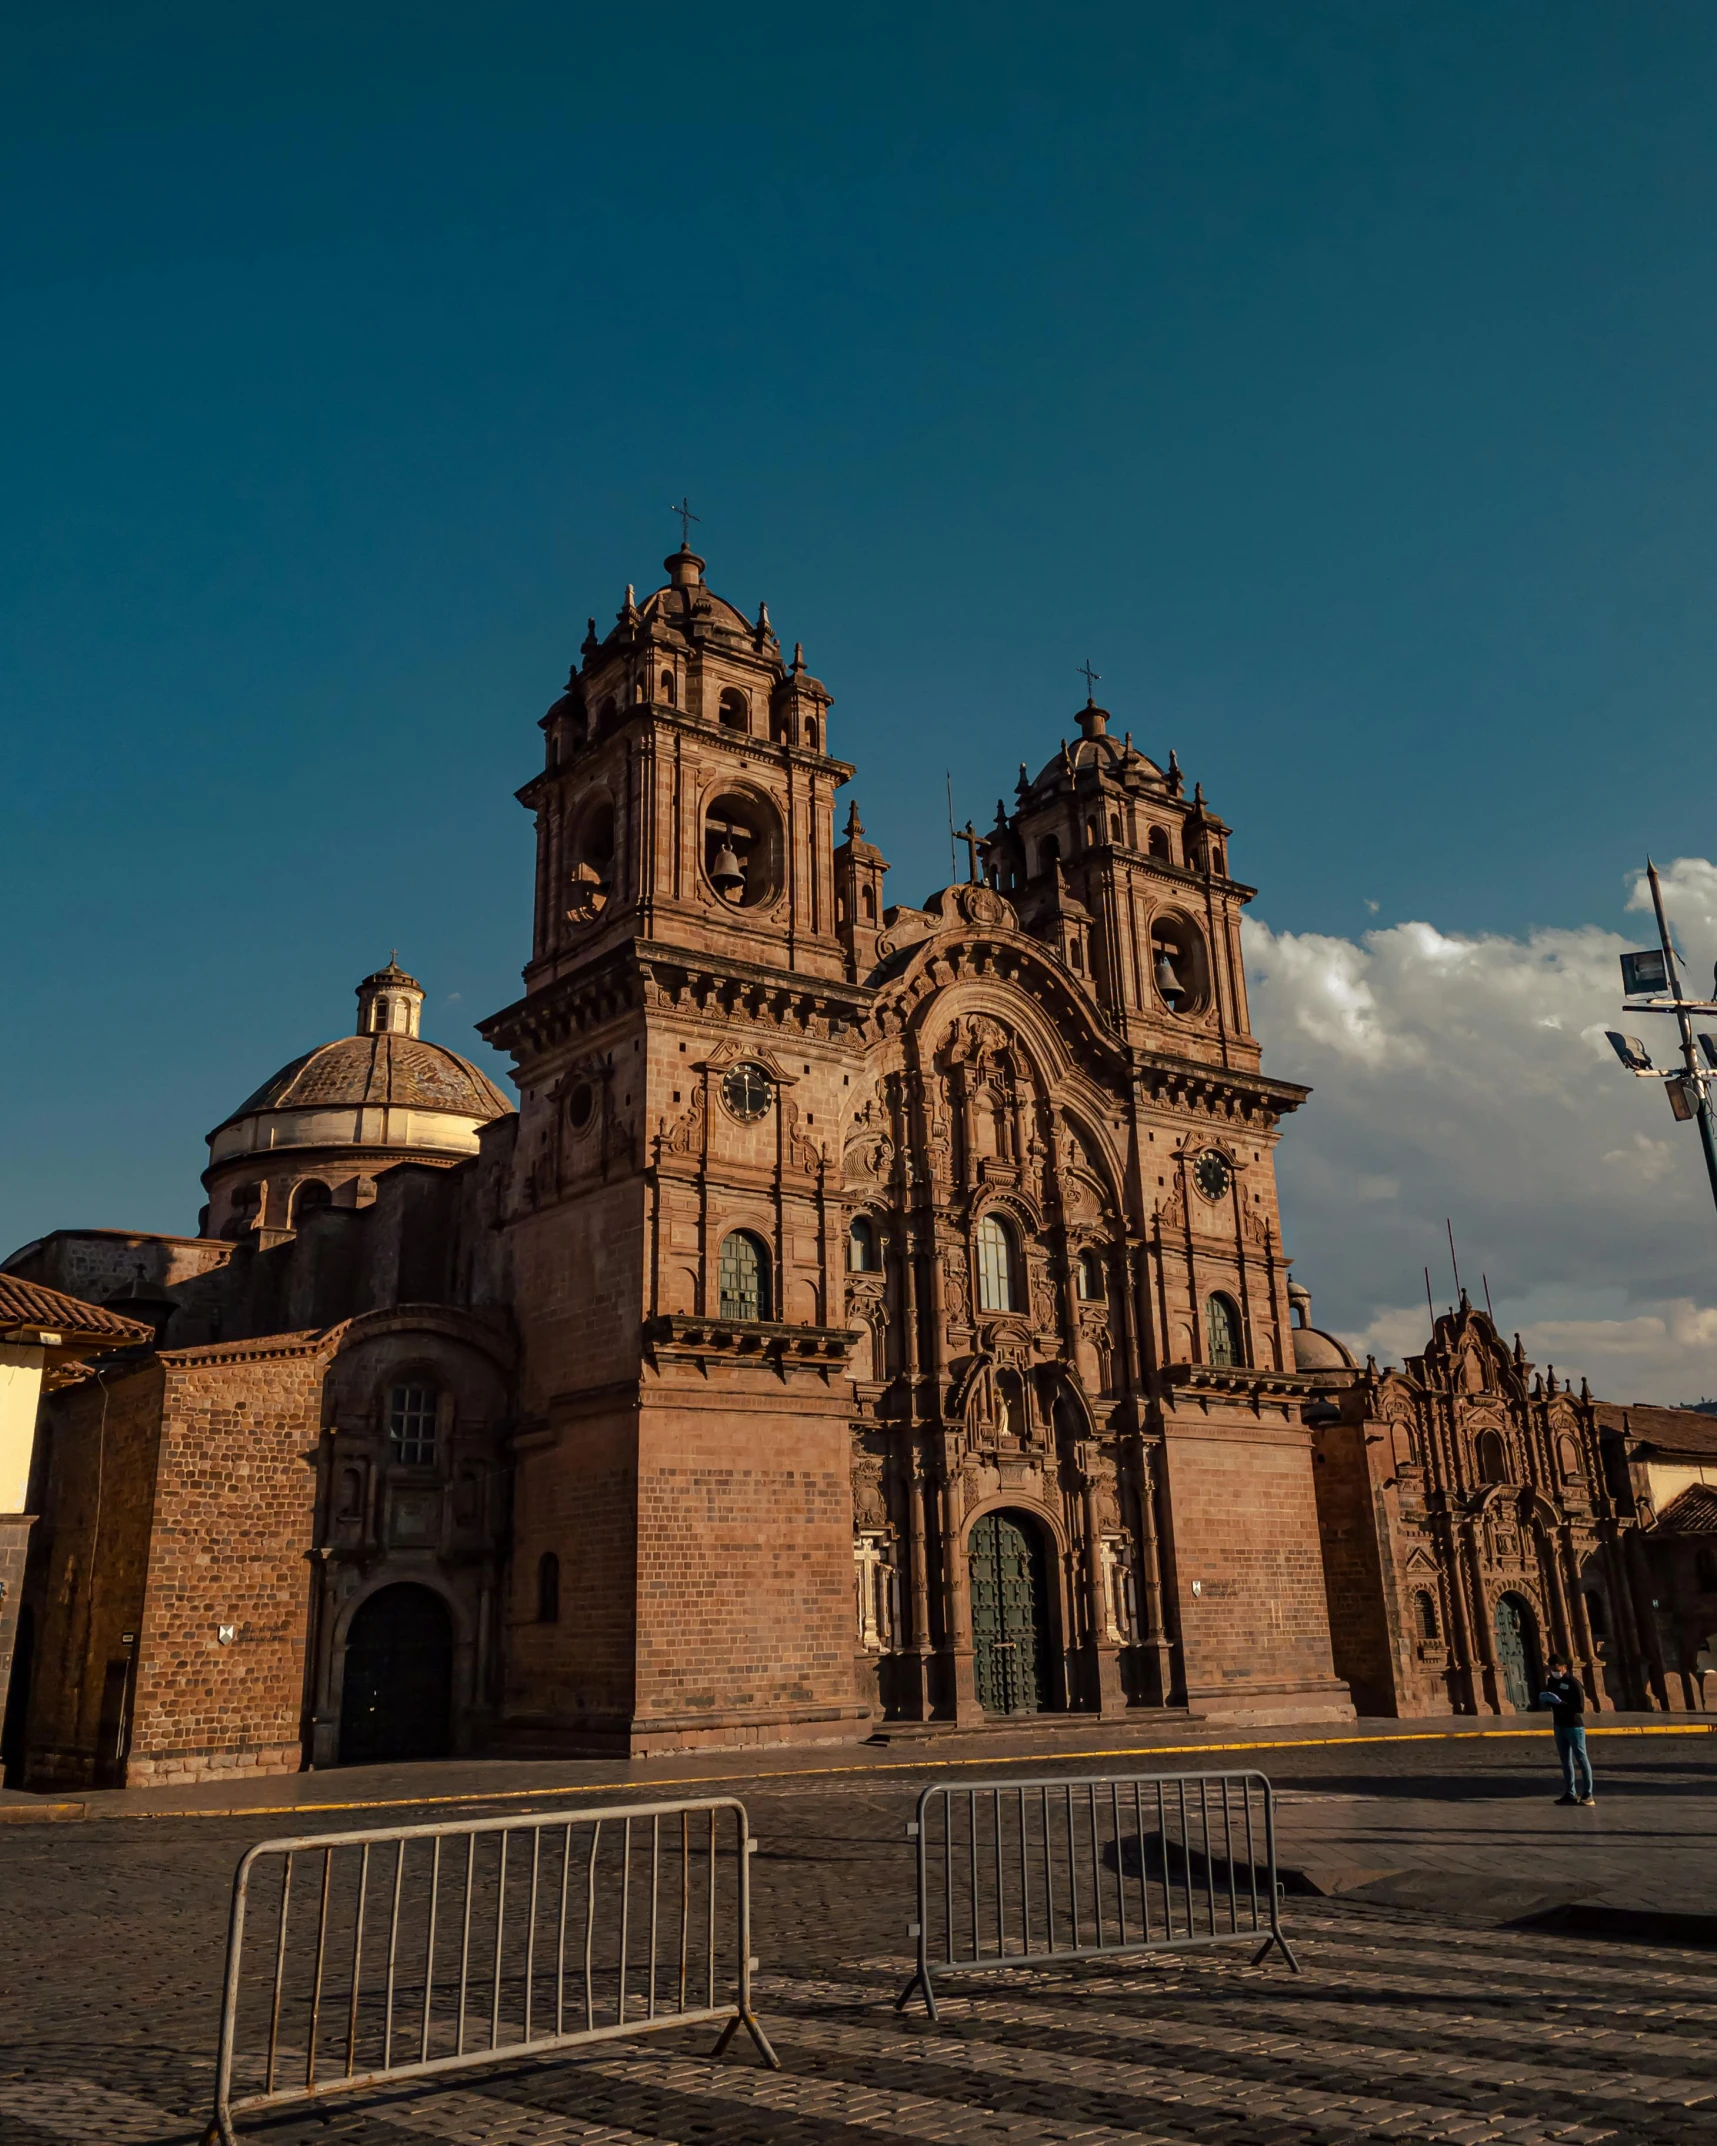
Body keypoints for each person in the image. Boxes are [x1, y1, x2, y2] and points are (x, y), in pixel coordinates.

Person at [1538, 1653, 1594, 1805]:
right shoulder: (1552, 1682)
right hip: (1559, 1725)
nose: (1553, 1672)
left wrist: (1561, 1703)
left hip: (1574, 1726)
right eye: (1551, 1669)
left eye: (1556, 1669)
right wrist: (1547, 1700)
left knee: (1581, 1758)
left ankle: (1588, 1794)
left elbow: (1580, 1707)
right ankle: (1570, 1793)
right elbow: (1549, 1700)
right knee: (1565, 1760)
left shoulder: (1573, 1683)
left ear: (1564, 1667)